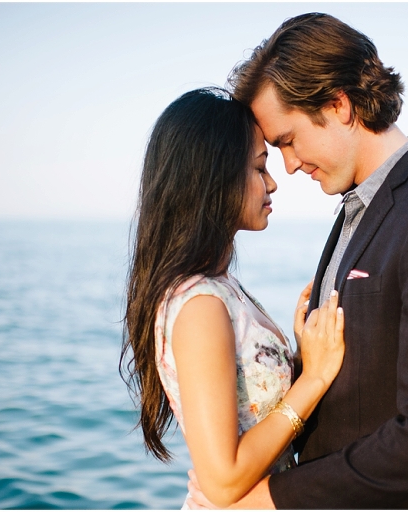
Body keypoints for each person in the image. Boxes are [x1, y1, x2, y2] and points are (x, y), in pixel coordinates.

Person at [187, 13, 408, 509]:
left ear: (339, 104)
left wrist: (274, 499)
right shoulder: (360, 209)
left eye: (288, 141)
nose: (288, 166)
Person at [120, 87, 346, 508]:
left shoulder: (219, 287)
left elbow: (251, 408)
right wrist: (313, 378)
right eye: (260, 168)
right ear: (216, 178)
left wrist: (297, 356)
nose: (273, 182)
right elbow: (222, 480)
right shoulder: (200, 306)